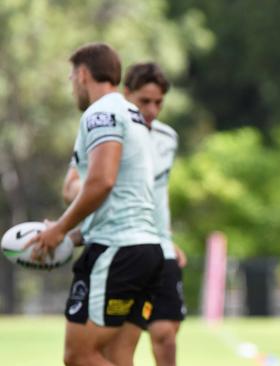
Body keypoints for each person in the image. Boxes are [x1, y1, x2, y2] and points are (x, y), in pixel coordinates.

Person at [27, 43, 163, 366]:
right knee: (115, 356)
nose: (72, 84)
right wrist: (74, 235)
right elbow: (121, 198)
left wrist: (60, 228)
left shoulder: (101, 113)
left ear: (83, 73)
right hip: (146, 251)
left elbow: (102, 182)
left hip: (117, 252)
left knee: (79, 356)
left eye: (72, 76)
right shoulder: (132, 115)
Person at [62, 63, 186, 366]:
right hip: (121, 243)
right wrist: (76, 229)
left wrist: (164, 233)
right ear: (126, 93)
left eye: (159, 103)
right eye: (145, 101)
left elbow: (150, 194)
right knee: (113, 353)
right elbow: (76, 185)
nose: (153, 110)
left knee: (164, 335)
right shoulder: (108, 125)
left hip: (150, 246)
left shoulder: (166, 138)